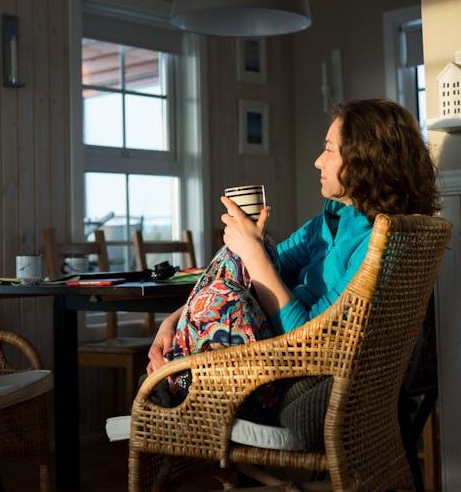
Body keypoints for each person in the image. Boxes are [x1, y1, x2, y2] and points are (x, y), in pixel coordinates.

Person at [145, 99, 441, 415]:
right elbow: (244, 270)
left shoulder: (378, 244)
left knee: (231, 282)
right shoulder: (333, 220)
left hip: (292, 362)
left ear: (363, 160)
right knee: (237, 256)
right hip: (262, 347)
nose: (317, 161)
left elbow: (311, 342)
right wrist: (173, 320)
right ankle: (179, 358)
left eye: (329, 150)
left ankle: (176, 377)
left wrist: (253, 252)